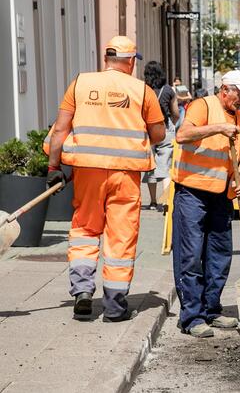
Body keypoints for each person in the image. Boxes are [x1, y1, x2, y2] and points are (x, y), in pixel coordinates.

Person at [45, 36, 166, 322]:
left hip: (87, 171)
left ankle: (83, 291)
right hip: (126, 173)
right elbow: (159, 134)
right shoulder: (142, 91)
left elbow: (60, 130)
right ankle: (114, 306)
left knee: (85, 229)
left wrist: (53, 169)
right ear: (131, 61)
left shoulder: (80, 83)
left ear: (106, 59)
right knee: (120, 236)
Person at [170, 70, 240, 338]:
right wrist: (218, 128)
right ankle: (192, 317)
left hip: (222, 195)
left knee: (219, 256)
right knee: (191, 255)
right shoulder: (202, 106)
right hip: (192, 192)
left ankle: (211, 308)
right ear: (225, 89)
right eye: (239, 94)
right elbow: (182, 135)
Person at [142, 61, 179, 211]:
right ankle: (166, 201)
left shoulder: (143, 90)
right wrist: (171, 124)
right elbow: (176, 113)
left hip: (147, 130)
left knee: (150, 166)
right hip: (165, 129)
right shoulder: (169, 90)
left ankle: (152, 202)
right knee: (165, 166)